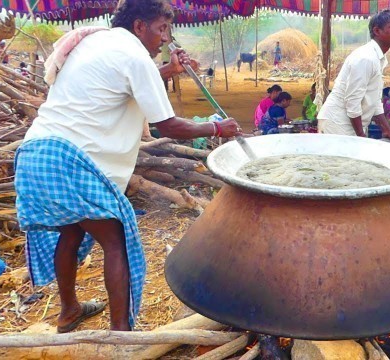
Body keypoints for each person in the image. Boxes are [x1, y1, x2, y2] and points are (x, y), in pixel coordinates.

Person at [14, 0, 241, 333]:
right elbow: (168, 126)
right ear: (139, 26)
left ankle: (68, 312)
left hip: (38, 153)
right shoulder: (135, 56)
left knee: (72, 230)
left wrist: (168, 71)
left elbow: (121, 86)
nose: (166, 38)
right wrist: (216, 128)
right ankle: (122, 335)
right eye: (162, 28)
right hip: (70, 160)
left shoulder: (97, 41)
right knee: (117, 240)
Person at [317, 9, 390, 143]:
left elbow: (375, 99)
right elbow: (352, 101)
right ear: (377, 31)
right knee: (339, 163)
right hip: (338, 123)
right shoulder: (366, 58)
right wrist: (361, 138)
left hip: (349, 124)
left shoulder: (379, 59)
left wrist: (387, 129)